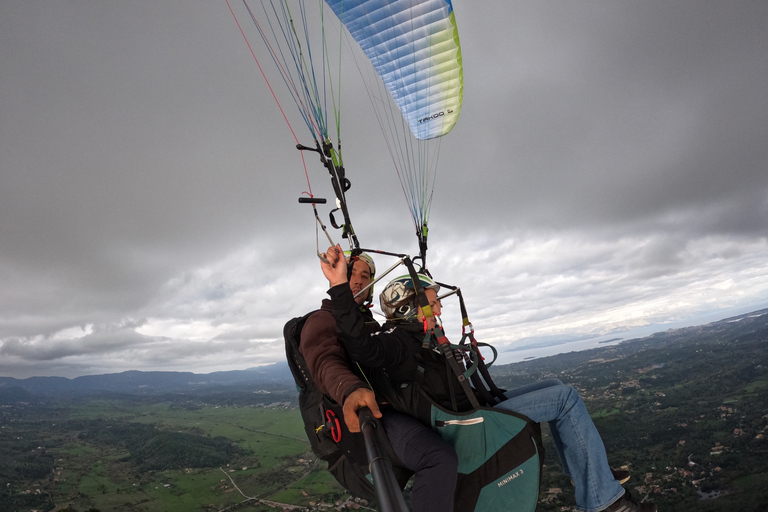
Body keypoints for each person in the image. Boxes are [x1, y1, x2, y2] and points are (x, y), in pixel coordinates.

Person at [320, 244, 657, 512]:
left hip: (475, 406)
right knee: (564, 398)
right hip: (465, 422)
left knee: (554, 386)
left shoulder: (424, 340)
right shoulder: (397, 343)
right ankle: (602, 500)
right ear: (410, 307)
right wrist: (339, 286)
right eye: (433, 303)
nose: (439, 310)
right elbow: (362, 347)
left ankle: (590, 475)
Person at [301, 249, 458, 512]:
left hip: (398, 407)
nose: (359, 280)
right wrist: (350, 389)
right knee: (438, 458)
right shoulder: (321, 320)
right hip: (372, 418)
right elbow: (325, 361)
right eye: (351, 273)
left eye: (366, 275)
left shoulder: (371, 324)